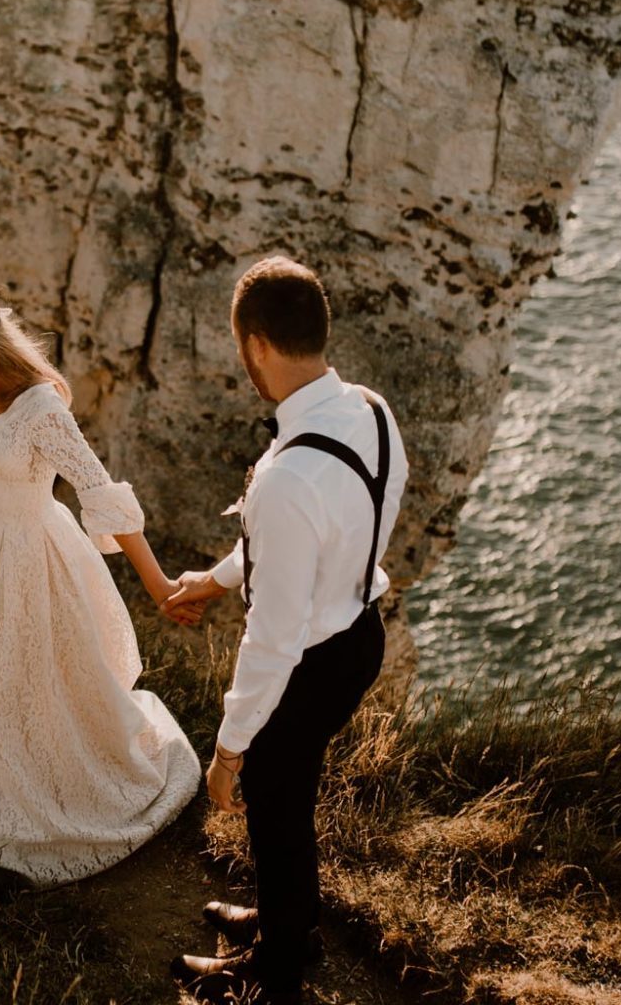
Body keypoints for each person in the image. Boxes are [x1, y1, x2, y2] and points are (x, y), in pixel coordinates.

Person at [0, 270, 201, 885]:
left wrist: (159, 585)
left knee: (23, 670)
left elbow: (99, 492)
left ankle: (45, 784)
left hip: (29, 553)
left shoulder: (41, 408)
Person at [160, 256, 409, 1004]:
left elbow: (272, 638)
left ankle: (275, 977)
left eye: (243, 350)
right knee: (290, 796)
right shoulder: (370, 409)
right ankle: (285, 926)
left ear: (258, 345)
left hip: (309, 660)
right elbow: (322, 534)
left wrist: (228, 751)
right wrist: (216, 575)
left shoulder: (286, 477)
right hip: (362, 633)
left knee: (273, 798)